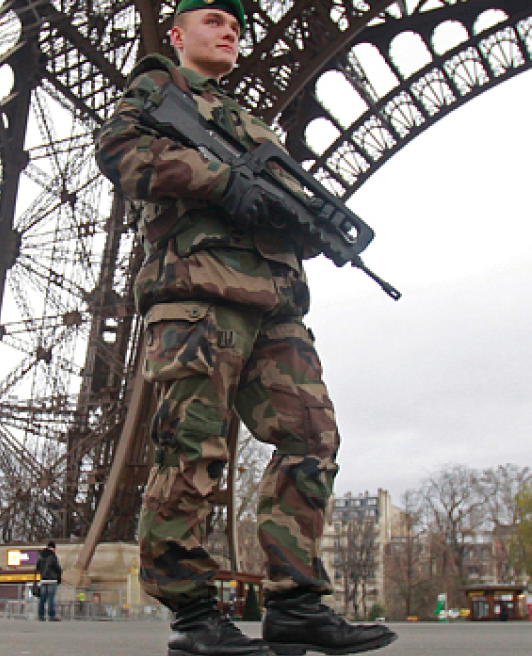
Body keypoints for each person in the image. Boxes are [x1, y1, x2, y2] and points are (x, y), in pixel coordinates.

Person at [95, 2, 398, 655]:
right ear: (176, 35)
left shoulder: (250, 122)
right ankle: (194, 613)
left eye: (236, 24)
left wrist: (299, 224)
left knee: (313, 440)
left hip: (274, 305)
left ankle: (294, 602)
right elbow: (120, 152)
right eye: (212, 20)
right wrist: (223, 181)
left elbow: (268, 200)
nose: (230, 29)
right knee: (194, 449)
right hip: (201, 295)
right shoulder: (158, 91)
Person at [35, 541, 62, 622]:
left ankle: (41, 615)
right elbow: (57, 568)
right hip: (52, 580)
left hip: (43, 580)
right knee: (51, 598)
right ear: (53, 548)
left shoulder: (41, 556)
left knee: (42, 598)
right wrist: (59, 577)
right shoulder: (53, 556)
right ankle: (51, 616)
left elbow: (38, 567)